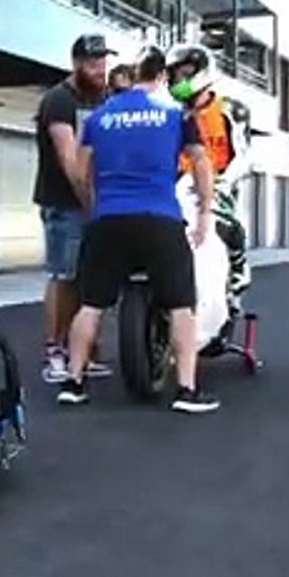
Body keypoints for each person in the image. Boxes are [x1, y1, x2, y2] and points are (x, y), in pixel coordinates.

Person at [55, 46, 221, 413]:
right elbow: (200, 161)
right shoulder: (176, 114)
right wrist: (205, 211)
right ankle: (187, 390)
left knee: (91, 304)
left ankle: (73, 382)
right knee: (181, 305)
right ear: (161, 76)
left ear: (131, 74)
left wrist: (95, 206)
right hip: (159, 217)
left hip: (108, 219)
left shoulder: (100, 116)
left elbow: (81, 172)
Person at [34, 34, 115, 383]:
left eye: (103, 62)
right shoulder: (59, 100)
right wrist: (90, 204)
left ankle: (84, 351)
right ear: (77, 64)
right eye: (93, 63)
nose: (100, 70)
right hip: (64, 203)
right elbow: (69, 161)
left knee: (91, 279)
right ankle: (55, 350)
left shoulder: (106, 99)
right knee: (64, 276)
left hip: (99, 202)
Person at [165, 43, 255, 331]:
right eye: (174, 75)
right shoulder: (170, 113)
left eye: (185, 74)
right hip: (178, 186)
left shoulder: (231, 110)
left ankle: (236, 280)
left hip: (219, 184)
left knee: (232, 229)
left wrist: (223, 182)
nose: (178, 81)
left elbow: (244, 156)